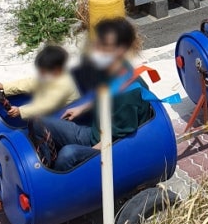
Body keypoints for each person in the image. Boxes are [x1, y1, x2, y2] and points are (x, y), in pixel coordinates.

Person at [32, 18, 151, 172]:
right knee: (40, 122)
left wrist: (88, 156)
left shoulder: (128, 95)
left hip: (110, 146)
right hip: (96, 132)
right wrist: (82, 108)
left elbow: (119, 141)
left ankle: (56, 182)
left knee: (68, 154)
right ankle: (46, 163)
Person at [0, 45, 79, 121]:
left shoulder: (64, 85)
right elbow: (31, 83)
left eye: (44, 71)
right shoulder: (52, 76)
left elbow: (46, 105)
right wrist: (4, 86)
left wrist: (21, 111)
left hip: (63, 114)